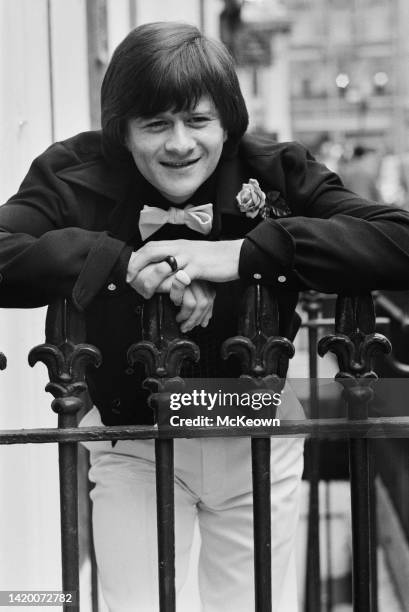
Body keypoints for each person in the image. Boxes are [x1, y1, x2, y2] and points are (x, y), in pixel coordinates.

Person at [1, 21, 409, 612]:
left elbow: (397, 238)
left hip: (259, 435)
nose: (180, 144)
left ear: (227, 121)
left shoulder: (274, 170)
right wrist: (119, 262)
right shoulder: (71, 173)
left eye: (198, 121)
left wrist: (243, 256)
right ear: (121, 128)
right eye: (155, 123)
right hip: (133, 440)